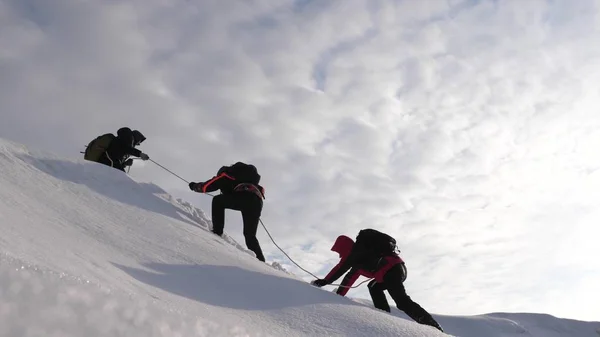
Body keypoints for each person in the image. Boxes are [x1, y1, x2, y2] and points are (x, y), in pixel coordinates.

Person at [311, 229, 443, 332]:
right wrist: (339, 296)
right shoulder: (361, 257)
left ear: (343, 247)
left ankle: (433, 327)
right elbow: (349, 280)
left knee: (402, 301)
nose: (339, 255)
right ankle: (383, 315)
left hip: (392, 271)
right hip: (397, 269)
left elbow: (341, 269)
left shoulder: (355, 254)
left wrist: (324, 282)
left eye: (339, 251)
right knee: (374, 286)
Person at [188, 162, 266, 262]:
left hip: (243, 196)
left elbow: (207, 186)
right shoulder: (248, 179)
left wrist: (194, 186)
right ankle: (261, 262)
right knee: (250, 236)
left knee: (218, 201)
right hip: (257, 201)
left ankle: (217, 231)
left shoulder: (225, 176)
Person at [84, 127, 149, 171]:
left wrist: (125, 163)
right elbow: (126, 148)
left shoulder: (122, 140)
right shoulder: (127, 137)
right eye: (139, 141)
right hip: (107, 159)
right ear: (137, 137)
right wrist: (140, 154)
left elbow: (117, 158)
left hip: (106, 160)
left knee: (119, 177)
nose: (138, 144)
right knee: (122, 178)